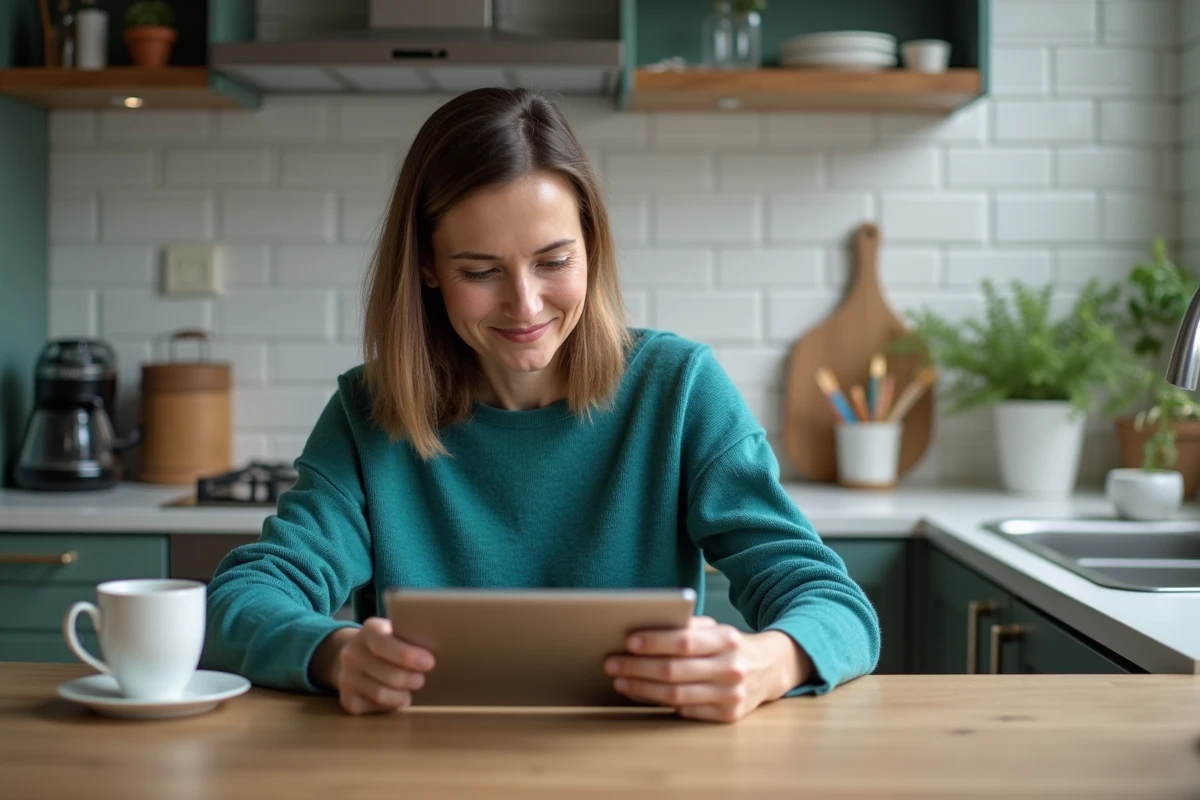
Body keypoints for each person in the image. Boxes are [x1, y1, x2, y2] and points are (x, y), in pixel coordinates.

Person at [201, 87, 880, 723]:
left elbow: (836, 606)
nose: (525, 305)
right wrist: (335, 653)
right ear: (429, 268)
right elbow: (240, 601)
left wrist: (768, 660)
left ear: (591, 246)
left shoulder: (678, 390)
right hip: (419, 767)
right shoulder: (369, 411)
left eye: (554, 262)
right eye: (481, 271)